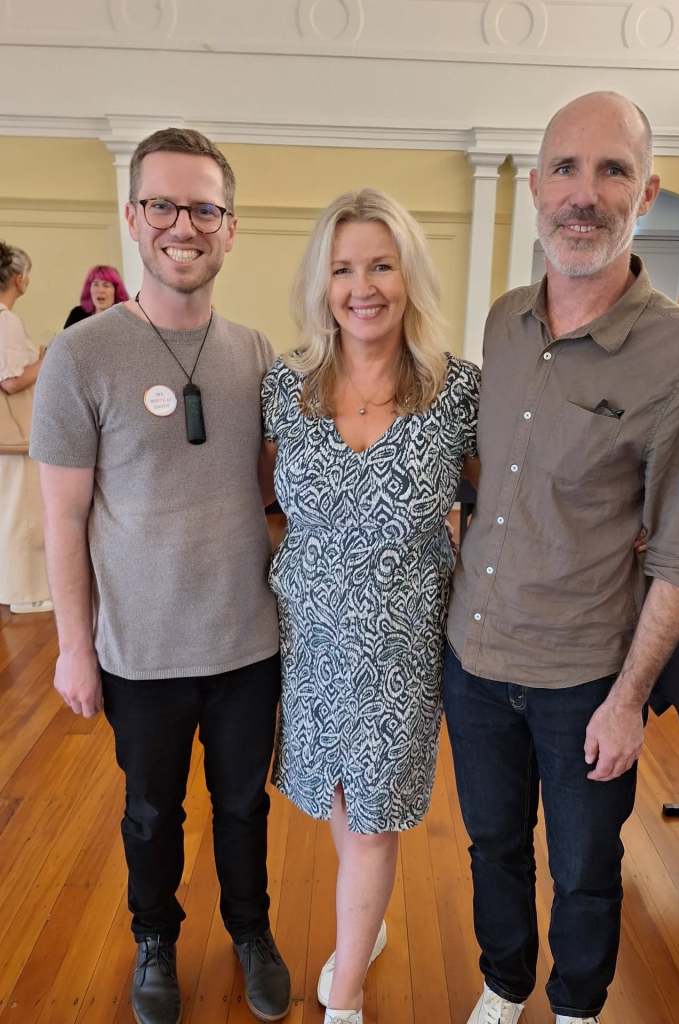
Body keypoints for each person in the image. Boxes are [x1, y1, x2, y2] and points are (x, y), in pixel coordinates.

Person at [444, 91, 679, 1024]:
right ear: (535, 188)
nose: (586, 193)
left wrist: (627, 700)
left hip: (585, 682)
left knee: (583, 869)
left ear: (646, 192)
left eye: (613, 170)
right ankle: (503, 983)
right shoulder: (500, 322)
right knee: (492, 846)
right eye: (566, 168)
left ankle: (576, 1005)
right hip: (476, 663)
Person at [30, 128, 290, 1024]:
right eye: (166, 205)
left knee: (243, 808)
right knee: (150, 815)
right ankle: (156, 939)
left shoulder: (257, 355)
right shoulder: (82, 355)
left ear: (231, 226)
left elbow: (271, 492)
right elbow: (62, 516)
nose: (187, 225)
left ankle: (250, 930)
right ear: (134, 218)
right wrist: (73, 649)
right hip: (138, 649)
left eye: (206, 208)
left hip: (248, 641)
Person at [261, 188, 480, 1024]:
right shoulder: (286, 387)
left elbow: (513, 500)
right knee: (343, 809)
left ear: (408, 274)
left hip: (403, 645)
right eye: (344, 268)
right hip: (310, 641)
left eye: (381, 265)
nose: (363, 286)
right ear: (322, 283)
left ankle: (346, 993)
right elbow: (254, 498)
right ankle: (367, 927)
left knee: (372, 814)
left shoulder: (457, 392)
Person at [0, 242, 52, 613]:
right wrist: (45, 359)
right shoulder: (6, 320)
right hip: (14, 435)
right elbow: (12, 381)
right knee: (23, 513)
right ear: (19, 279)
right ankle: (25, 592)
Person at [63, 264, 130, 327]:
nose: (100, 290)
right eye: (95, 284)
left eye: (106, 285)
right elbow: (63, 338)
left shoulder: (125, 318)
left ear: (116, 291)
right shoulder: (77, 314)